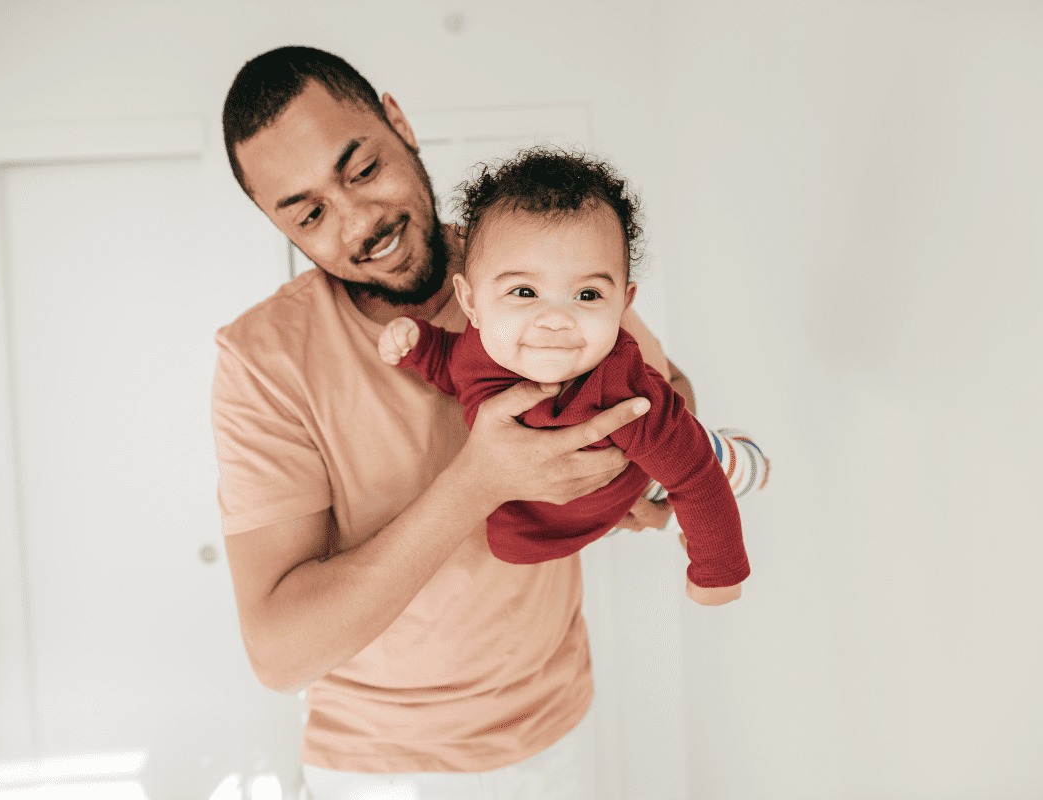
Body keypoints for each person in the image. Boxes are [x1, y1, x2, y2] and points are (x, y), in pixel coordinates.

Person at [213, 45, 708, 798]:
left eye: (363, 170)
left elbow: (669, 392)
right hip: (373, 767)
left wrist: (640, 478)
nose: (359, 222)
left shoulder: (535, 262)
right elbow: (280, 656)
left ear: (399, 123)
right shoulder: (261, 360)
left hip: (552, 732)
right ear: (275, 223)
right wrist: (478, 482)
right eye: (311, 213)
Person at [378, 147, 752, 605]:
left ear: (624, 303)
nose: (556, 319)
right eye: (524, 291)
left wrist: (717, 573)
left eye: (588, 294)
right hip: (578, 513)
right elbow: (451, 366)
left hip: (639, 479)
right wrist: (417, 345)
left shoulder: (622, 389)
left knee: (725, 467)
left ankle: (749, 458)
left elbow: (697, 477)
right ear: (472, 303)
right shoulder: (479, 351)